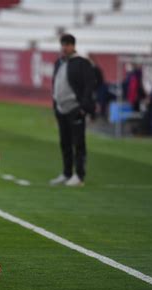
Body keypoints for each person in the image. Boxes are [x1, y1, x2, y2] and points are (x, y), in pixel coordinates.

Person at [49, 34, 95, 187]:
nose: (64, 47)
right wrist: (55, 105)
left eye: (67, 44)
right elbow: (55, 84)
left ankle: (79, 176)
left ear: (73, 46)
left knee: (78, 143)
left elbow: (90, 85)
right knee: (65, 143)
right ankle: (67, 173)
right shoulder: (59, 63)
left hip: (75, 108)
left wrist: (84, 107)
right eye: (63, 44)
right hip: (61, 109)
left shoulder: (82, 63)